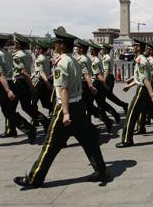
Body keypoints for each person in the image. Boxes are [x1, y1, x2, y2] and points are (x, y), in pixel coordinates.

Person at [14, 26, 110, 188]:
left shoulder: (61, 63)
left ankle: (34, 178)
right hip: (79, 105)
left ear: (62, 45)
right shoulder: (73, 60)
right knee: (89, 141)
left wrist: (65, 112)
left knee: (50, 145)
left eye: (57, 42)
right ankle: (101, 171)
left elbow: (63, 88)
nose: (54, 44)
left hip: (66, 107)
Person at [0, 32, 36, 149]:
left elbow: (0, 74)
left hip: (0, 86)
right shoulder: (8, 55)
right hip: (9, 83)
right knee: (10, 112)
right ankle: (29, 129)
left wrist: (7, 90)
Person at [116, 38, 153, 148]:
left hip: (142, 91)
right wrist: (131, 85)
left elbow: (145, 80)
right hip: (145, 90)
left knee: (131, 114)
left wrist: (152, 94)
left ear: (139, 48)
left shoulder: (141, 60)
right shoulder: (144, 59)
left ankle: (127, 140)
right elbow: (152, 75)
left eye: (135, 46)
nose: (133, 47)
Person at [3, 33, 49, 138]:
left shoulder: (17, 55)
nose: (14, 45)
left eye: (15, 43)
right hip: (24, 83)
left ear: (19, 44)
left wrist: (32, 86)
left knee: (10, 109)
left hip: (18, 83)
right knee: (27, 107)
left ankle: (22, 129)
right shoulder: (27, 54)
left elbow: (23, 72)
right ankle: (44, 121)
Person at [75, 39, 113, 133]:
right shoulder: (86, 58)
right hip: (86, 84)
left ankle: (89, 127)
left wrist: (90, 86)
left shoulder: (83, 59)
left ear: (82, 49)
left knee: (83, 107)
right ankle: (105, 121)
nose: (76, 49)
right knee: (89, 107)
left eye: (78, 47)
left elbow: (86, 74)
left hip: (85, 85)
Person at [102, 43, 128, 114]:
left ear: (106, 50)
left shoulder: (106, 58)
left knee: (108, 96)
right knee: (105, 96)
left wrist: (103, 81)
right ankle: (103, 111)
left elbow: (106, 71)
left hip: (108, 77)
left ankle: (123, 105)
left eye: (103, 49)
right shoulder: (108, 57)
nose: (102, 50)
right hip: (109, 77)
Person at [31, 39, 53, 114]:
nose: (36, 50)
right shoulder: (46, 58)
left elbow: (41, 72)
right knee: (45, 103)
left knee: (32, 103)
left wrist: (46, 82)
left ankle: (40, 118)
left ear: (40, 49)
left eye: (37, 48)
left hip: (40, 82)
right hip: (45, 81)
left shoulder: (39, 59)